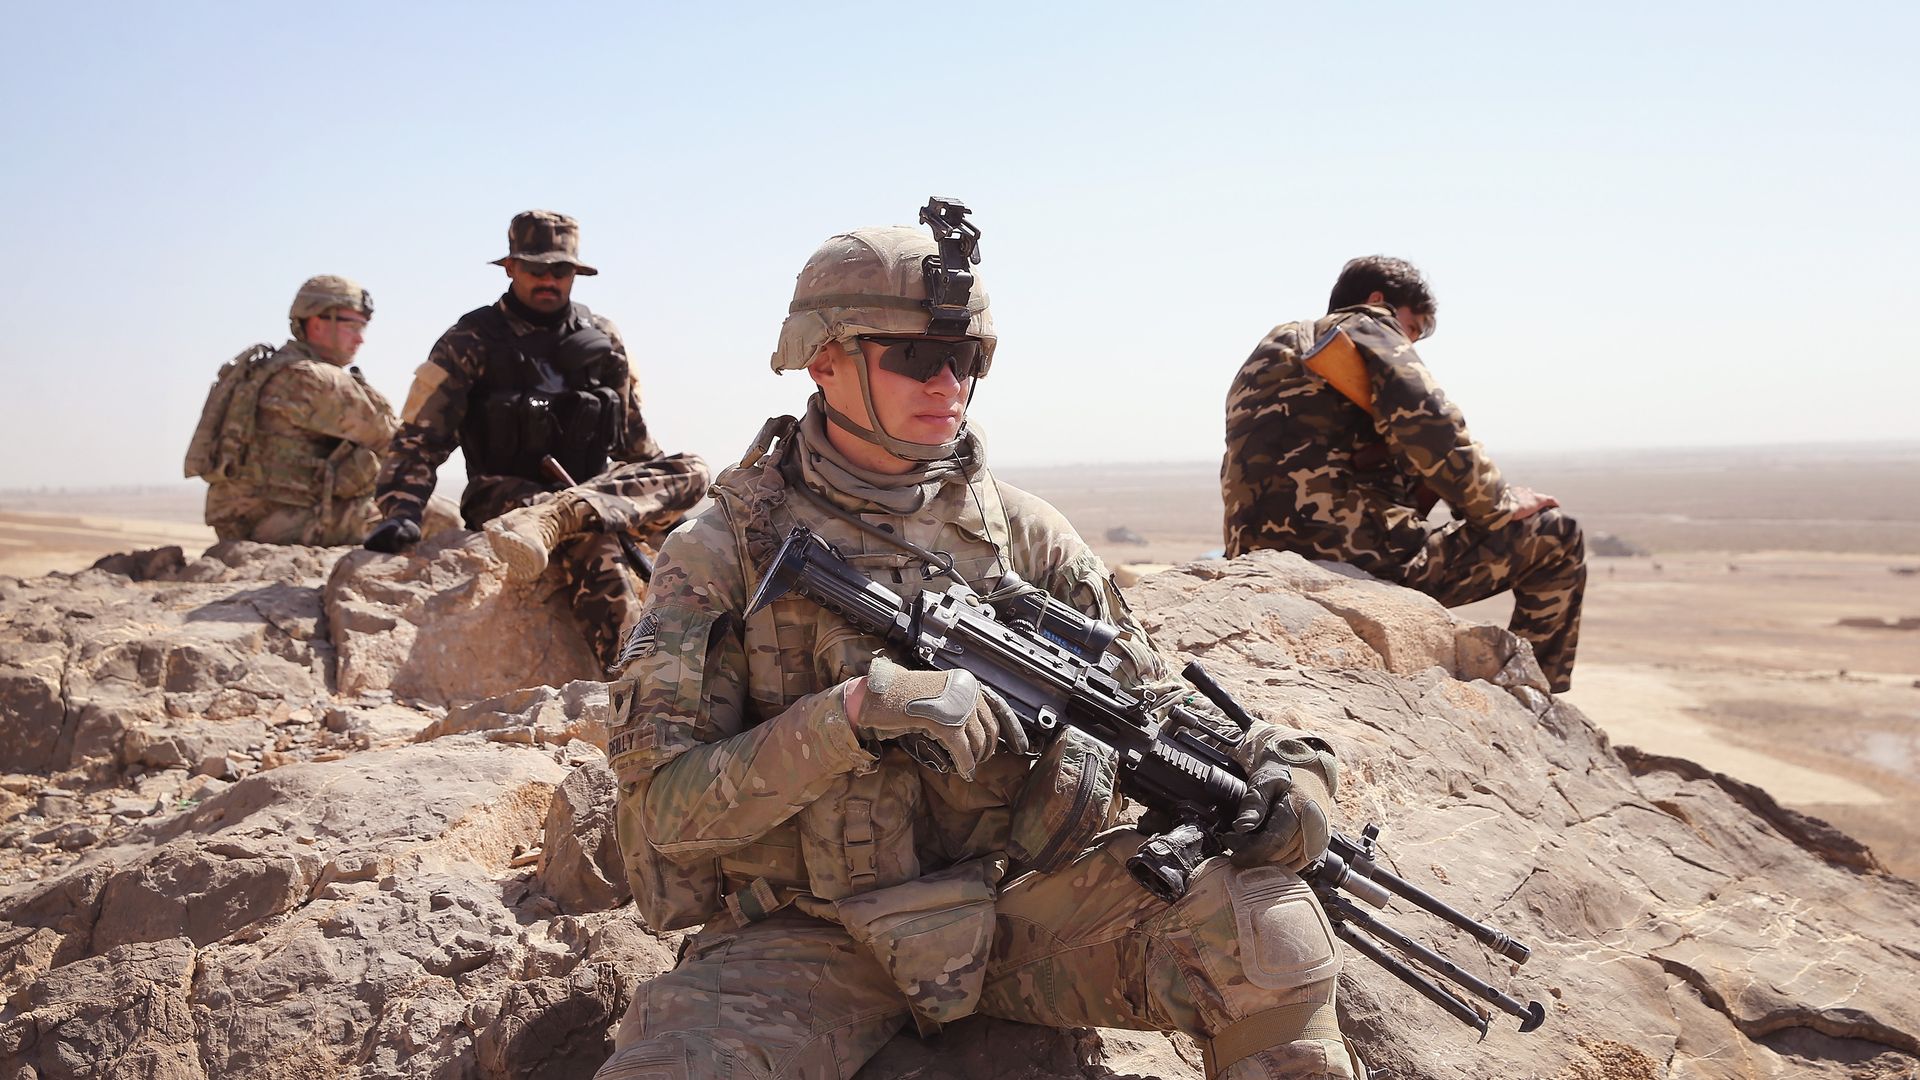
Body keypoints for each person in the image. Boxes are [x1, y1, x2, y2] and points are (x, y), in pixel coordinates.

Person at [597, 204, 1365, 1079]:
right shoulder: (720, 550)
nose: (946, 385)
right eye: (915, 357)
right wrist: (851, 714)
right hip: (808, 941)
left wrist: (1279, 763)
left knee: (1269, 932)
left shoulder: (1026, 536)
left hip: (1020, 914)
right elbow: (661, 815)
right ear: (824, 361)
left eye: (965, 360)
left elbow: (1147, 698)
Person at [1221, 256, 1585, 692]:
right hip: (1349, 557)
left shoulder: (1272, 348)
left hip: (1251, 553)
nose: (1415, 340)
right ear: (1379, 300)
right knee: (1555, 535)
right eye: (1416, 327)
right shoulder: (1366, 323)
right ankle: (1533, 698)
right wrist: (1500, 503)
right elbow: (1430, 424)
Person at [364, 210, 709, 668]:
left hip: (590, 493)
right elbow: (421, 438)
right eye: (535, 269)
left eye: (560, 270)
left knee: (694, 470)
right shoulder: (470, 339)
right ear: (511, 268)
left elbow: (634, 443)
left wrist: (671, 521)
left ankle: (565, 516)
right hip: (506, 498)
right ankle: (637, 681)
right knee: (596, 542)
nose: (548, 280)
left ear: (574, 274)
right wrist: (400, 511)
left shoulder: (601, 337)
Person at [189, 275, 397, 546]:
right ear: (317, 323)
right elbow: (395, 440)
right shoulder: (317, 379)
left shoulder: (265, 369)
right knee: (440, 518)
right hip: (287, 523)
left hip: (240, 522)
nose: (360, 340)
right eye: (353, 325)